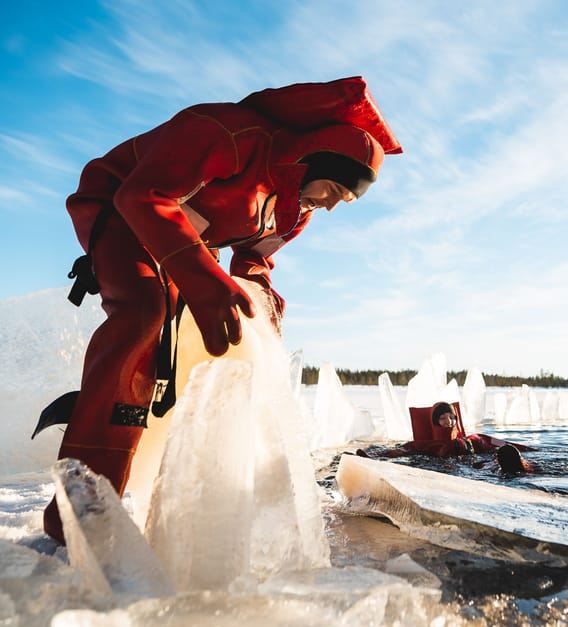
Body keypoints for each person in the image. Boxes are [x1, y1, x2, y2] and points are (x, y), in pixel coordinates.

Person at [38, 77, 402, 544]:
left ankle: (144, 450)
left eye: (343, 201)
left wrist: (263, 303)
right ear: (308, 159)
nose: (330, 206)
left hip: (185, 236)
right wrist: (208, 285)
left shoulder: (295, 207)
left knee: (184, 352)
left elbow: (255, 259)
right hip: (118, 204)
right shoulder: (227, 135)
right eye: (333, 188)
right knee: (144, 314)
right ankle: (78, 507)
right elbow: (141, 197)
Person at [361, 402, 535, 470]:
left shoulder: (472, 440)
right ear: (435, 422)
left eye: (451, 417)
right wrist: (371, 456)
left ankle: (516, 466)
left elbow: (497, 442)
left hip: (473, 462)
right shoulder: (425, 444)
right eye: (443, 418)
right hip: (449, 467)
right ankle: (506, 469)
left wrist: (528, 449)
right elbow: (400, 450)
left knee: (500, 455)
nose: (448, 421)